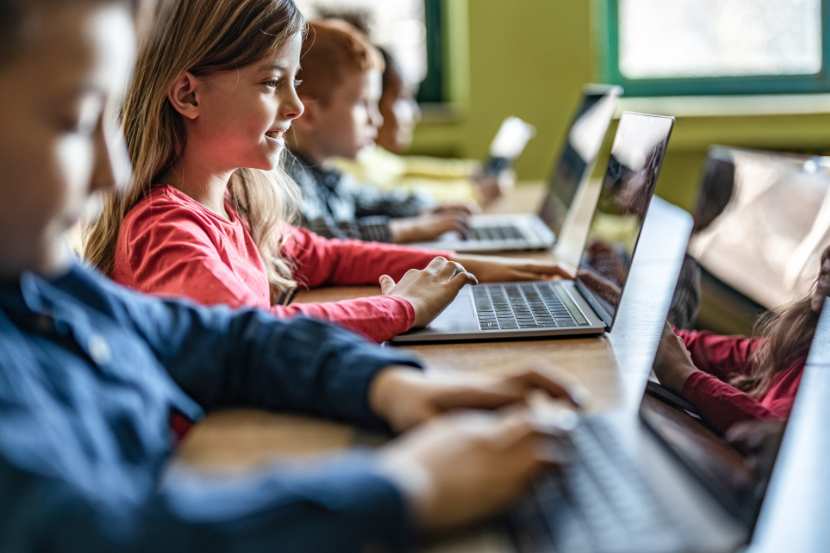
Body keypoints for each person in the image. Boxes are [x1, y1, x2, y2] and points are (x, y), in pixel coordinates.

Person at [0, 0, 589, 549]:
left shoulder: (48, 289)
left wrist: (393, 383)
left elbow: (235, 339)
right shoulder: (159, 226)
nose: (115, 171)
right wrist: (404, 485)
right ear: (187, 94)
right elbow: (105, 535)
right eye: (77, 121)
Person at [83, 0, 573, 344]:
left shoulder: (233, 206)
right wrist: (401, 307)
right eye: (272, 82)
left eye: (293, 81)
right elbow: (249, 336)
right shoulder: (165, 229)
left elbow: (328, 257)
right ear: (188, 94)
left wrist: (461, 267)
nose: (296, 106)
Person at [286, 19, 483, 244]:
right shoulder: (285, 181)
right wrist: (408, 229)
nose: (376, 120)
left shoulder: (327, 174)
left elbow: (372, 201)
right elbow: (314, 237)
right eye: (363, 104)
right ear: (307, 115)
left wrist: (427, 209)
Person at [651, 244, 830, 434]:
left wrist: (685, 376)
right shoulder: (800, 343)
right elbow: (694, 347)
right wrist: (641, 318)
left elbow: (783, 438)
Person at [334, 45, 514, 207]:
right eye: (402, 99)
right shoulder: (343, 160)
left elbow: (403, 170)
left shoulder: (368, 153)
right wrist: (473, 192)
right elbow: (394, 195)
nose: (415, 113)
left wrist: (471, 174)